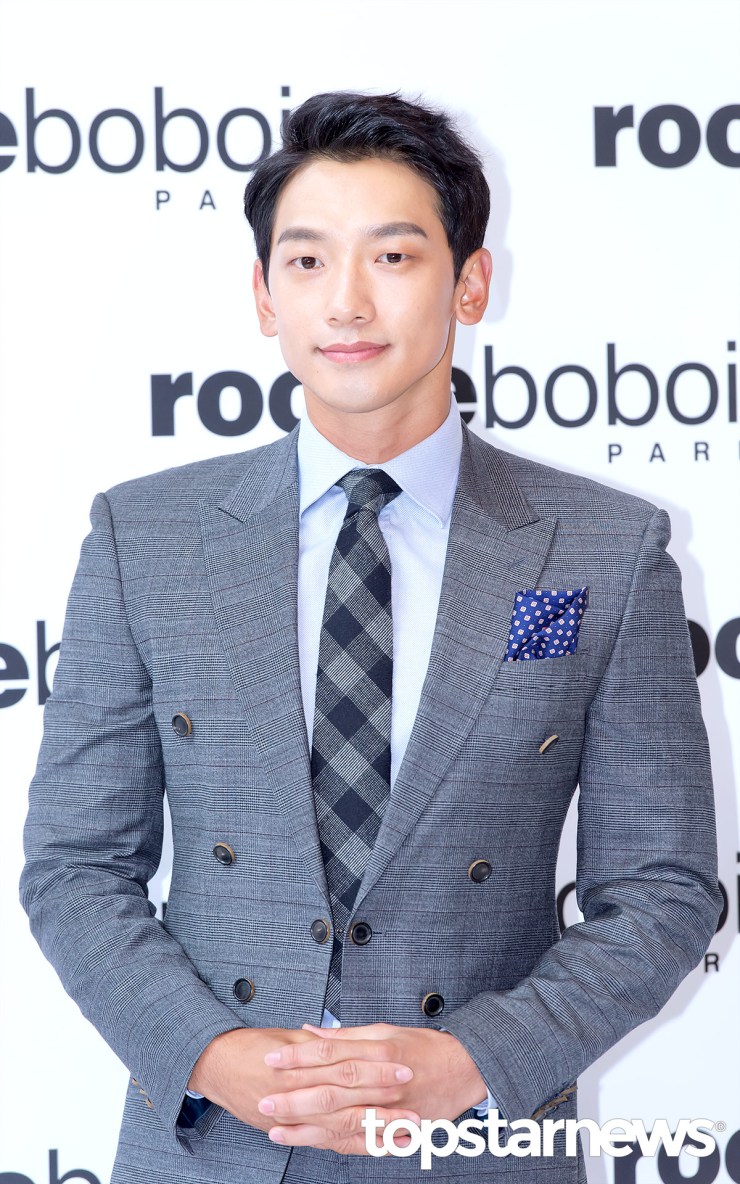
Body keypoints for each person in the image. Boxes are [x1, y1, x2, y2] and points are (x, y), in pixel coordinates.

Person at [20, 91, 720, 1184]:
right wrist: (212, 1055)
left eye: (392, 256)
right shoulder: (144, 537)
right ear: (264, 295)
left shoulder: (602, 548)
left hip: (476, 1146)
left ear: (469, 281)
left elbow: (663, 888)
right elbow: (75, 865)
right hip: (212, 1147)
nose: (346, 301)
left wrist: (473, 1060)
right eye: (306, 262)